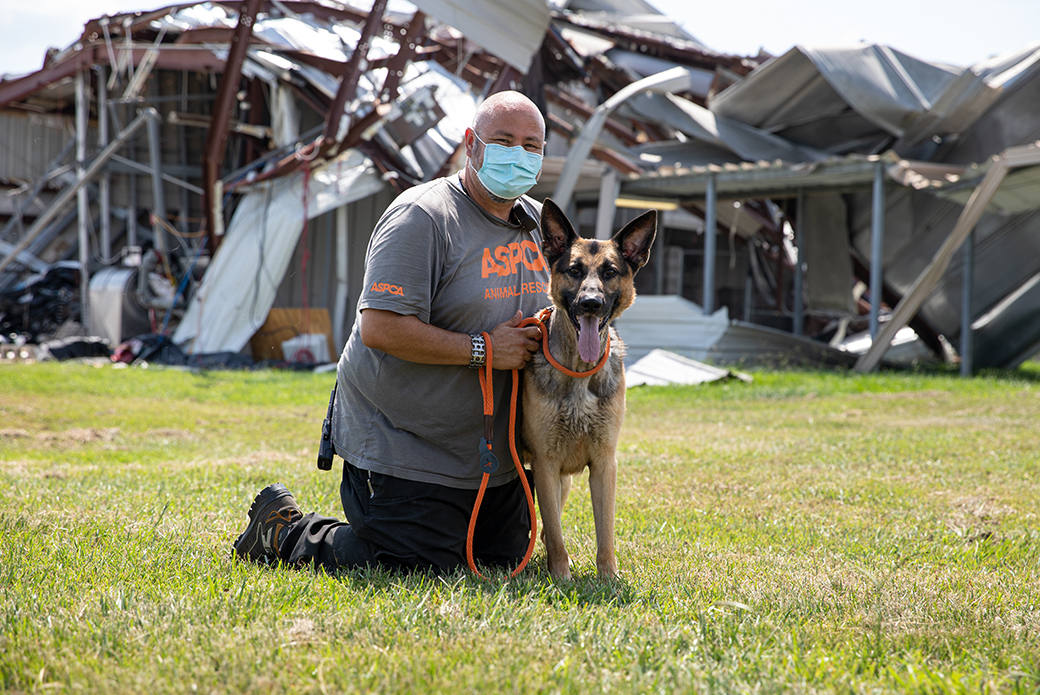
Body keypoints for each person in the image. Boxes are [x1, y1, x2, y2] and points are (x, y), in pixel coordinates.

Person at [233, 91, 551, 573]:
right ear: (471, 145)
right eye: (504, 141)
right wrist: (484, 349)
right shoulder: (423, 216)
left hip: (490, 459)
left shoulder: (537, 224)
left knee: (501, 561)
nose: (519, 155)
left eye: (532, 145)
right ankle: (285, 530)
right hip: (406, 445)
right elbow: (380, 328)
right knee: (417, 568)